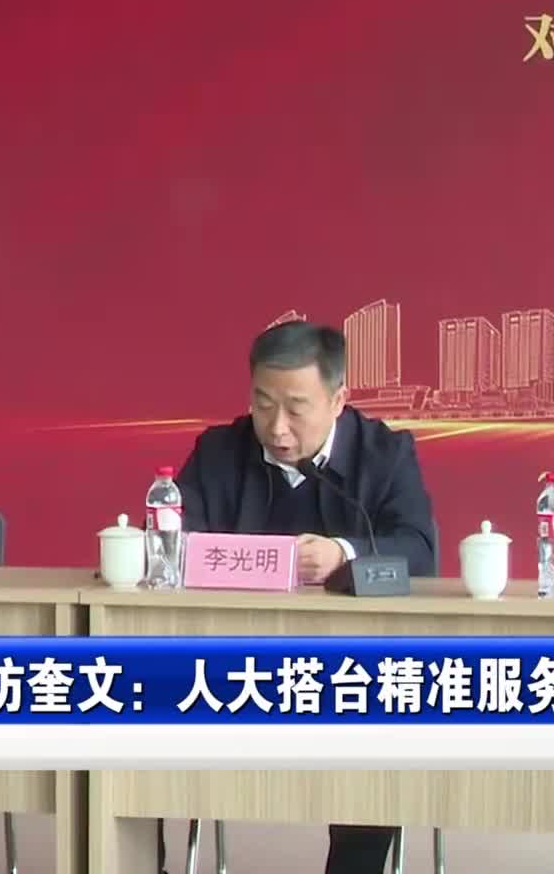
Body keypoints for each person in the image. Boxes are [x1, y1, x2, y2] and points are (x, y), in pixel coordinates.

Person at [176, 319, 438, 874]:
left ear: (338, 400)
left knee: (377, 732)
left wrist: (345, 555)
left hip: (351, 672)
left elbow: (419, 551)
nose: (276, 427)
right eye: (262, 404)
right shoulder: (219, 451)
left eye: (296, 408)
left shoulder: (384, 454)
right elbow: (173, 544)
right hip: (232, 665)